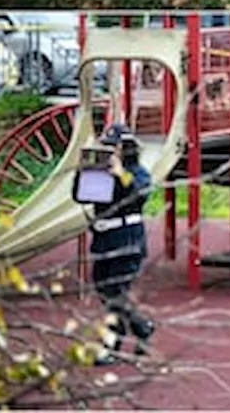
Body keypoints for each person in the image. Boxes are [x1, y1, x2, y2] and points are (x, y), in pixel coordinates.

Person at [89, 124, 156, 363]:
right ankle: (142, 328)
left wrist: (120, 174)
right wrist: (86, 171)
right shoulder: (100, 173)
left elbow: (139, 194)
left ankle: (112, 345)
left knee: (117, 292)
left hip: (128, 239)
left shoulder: (138, 172)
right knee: (103, 289)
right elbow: (83, 195)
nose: (109, 153)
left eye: (113, 148)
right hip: (103, 239)